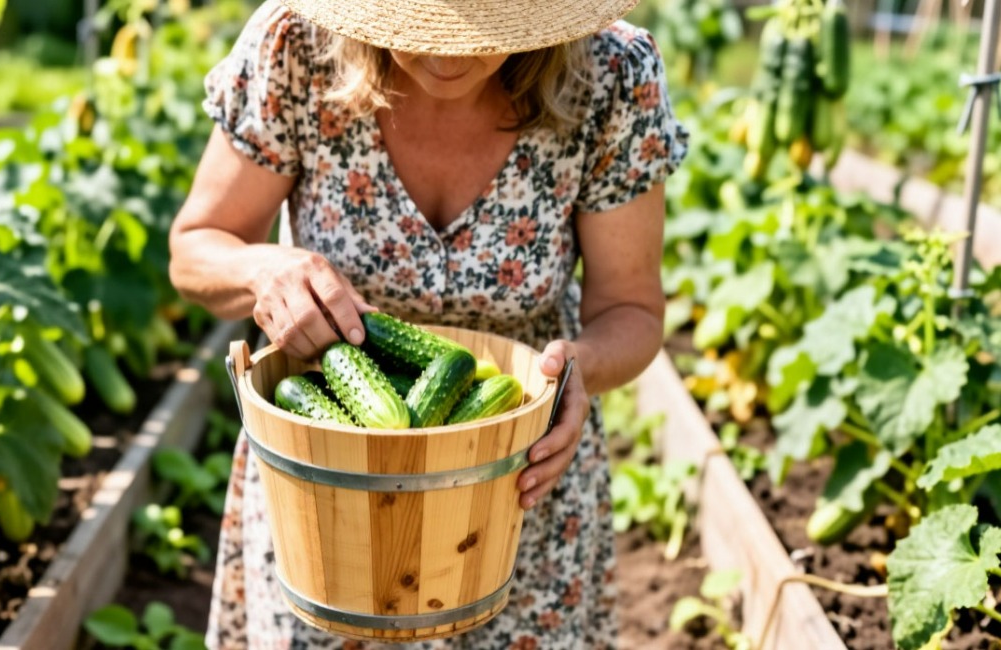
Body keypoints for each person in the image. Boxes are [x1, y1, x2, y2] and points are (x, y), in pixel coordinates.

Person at [169, 0, 688, 646]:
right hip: (330, 505)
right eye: (421, 28)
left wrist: (577, 367)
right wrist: (261, 271)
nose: (446, 56)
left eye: (483, 30)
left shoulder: (613, 75)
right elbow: (195, 249)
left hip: (512, 491)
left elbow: (630, 310)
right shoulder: (296, 48)